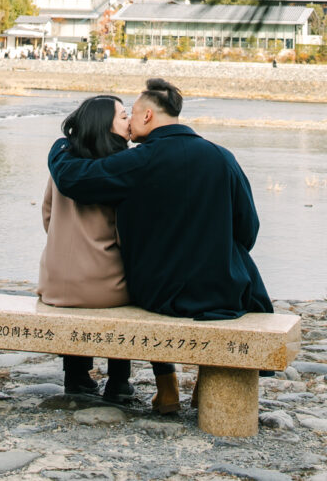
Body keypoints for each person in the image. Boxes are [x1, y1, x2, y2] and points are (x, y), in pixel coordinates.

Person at [46, 77, 271, 416]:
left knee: (141, 286)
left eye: (131, 115)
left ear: (148, 116)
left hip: (158, 291)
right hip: (224, 290)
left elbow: (76, 180)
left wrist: (61, 148)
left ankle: (167, 385)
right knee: (240, 271)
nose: (129, 124)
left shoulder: (140, 160)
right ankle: (205, 381)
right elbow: (248, 229)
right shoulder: (221, 157)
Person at [37, 94, 147, 402]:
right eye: (123, 116)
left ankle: (76, 376)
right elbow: (127, 234)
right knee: (132, 289)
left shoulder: (63, 166)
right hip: (104, 286)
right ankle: (119, 380)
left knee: (79, 297)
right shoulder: (119, 169)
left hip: (54, 282)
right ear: (105, 125)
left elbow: (47, 216)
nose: (129, 122)